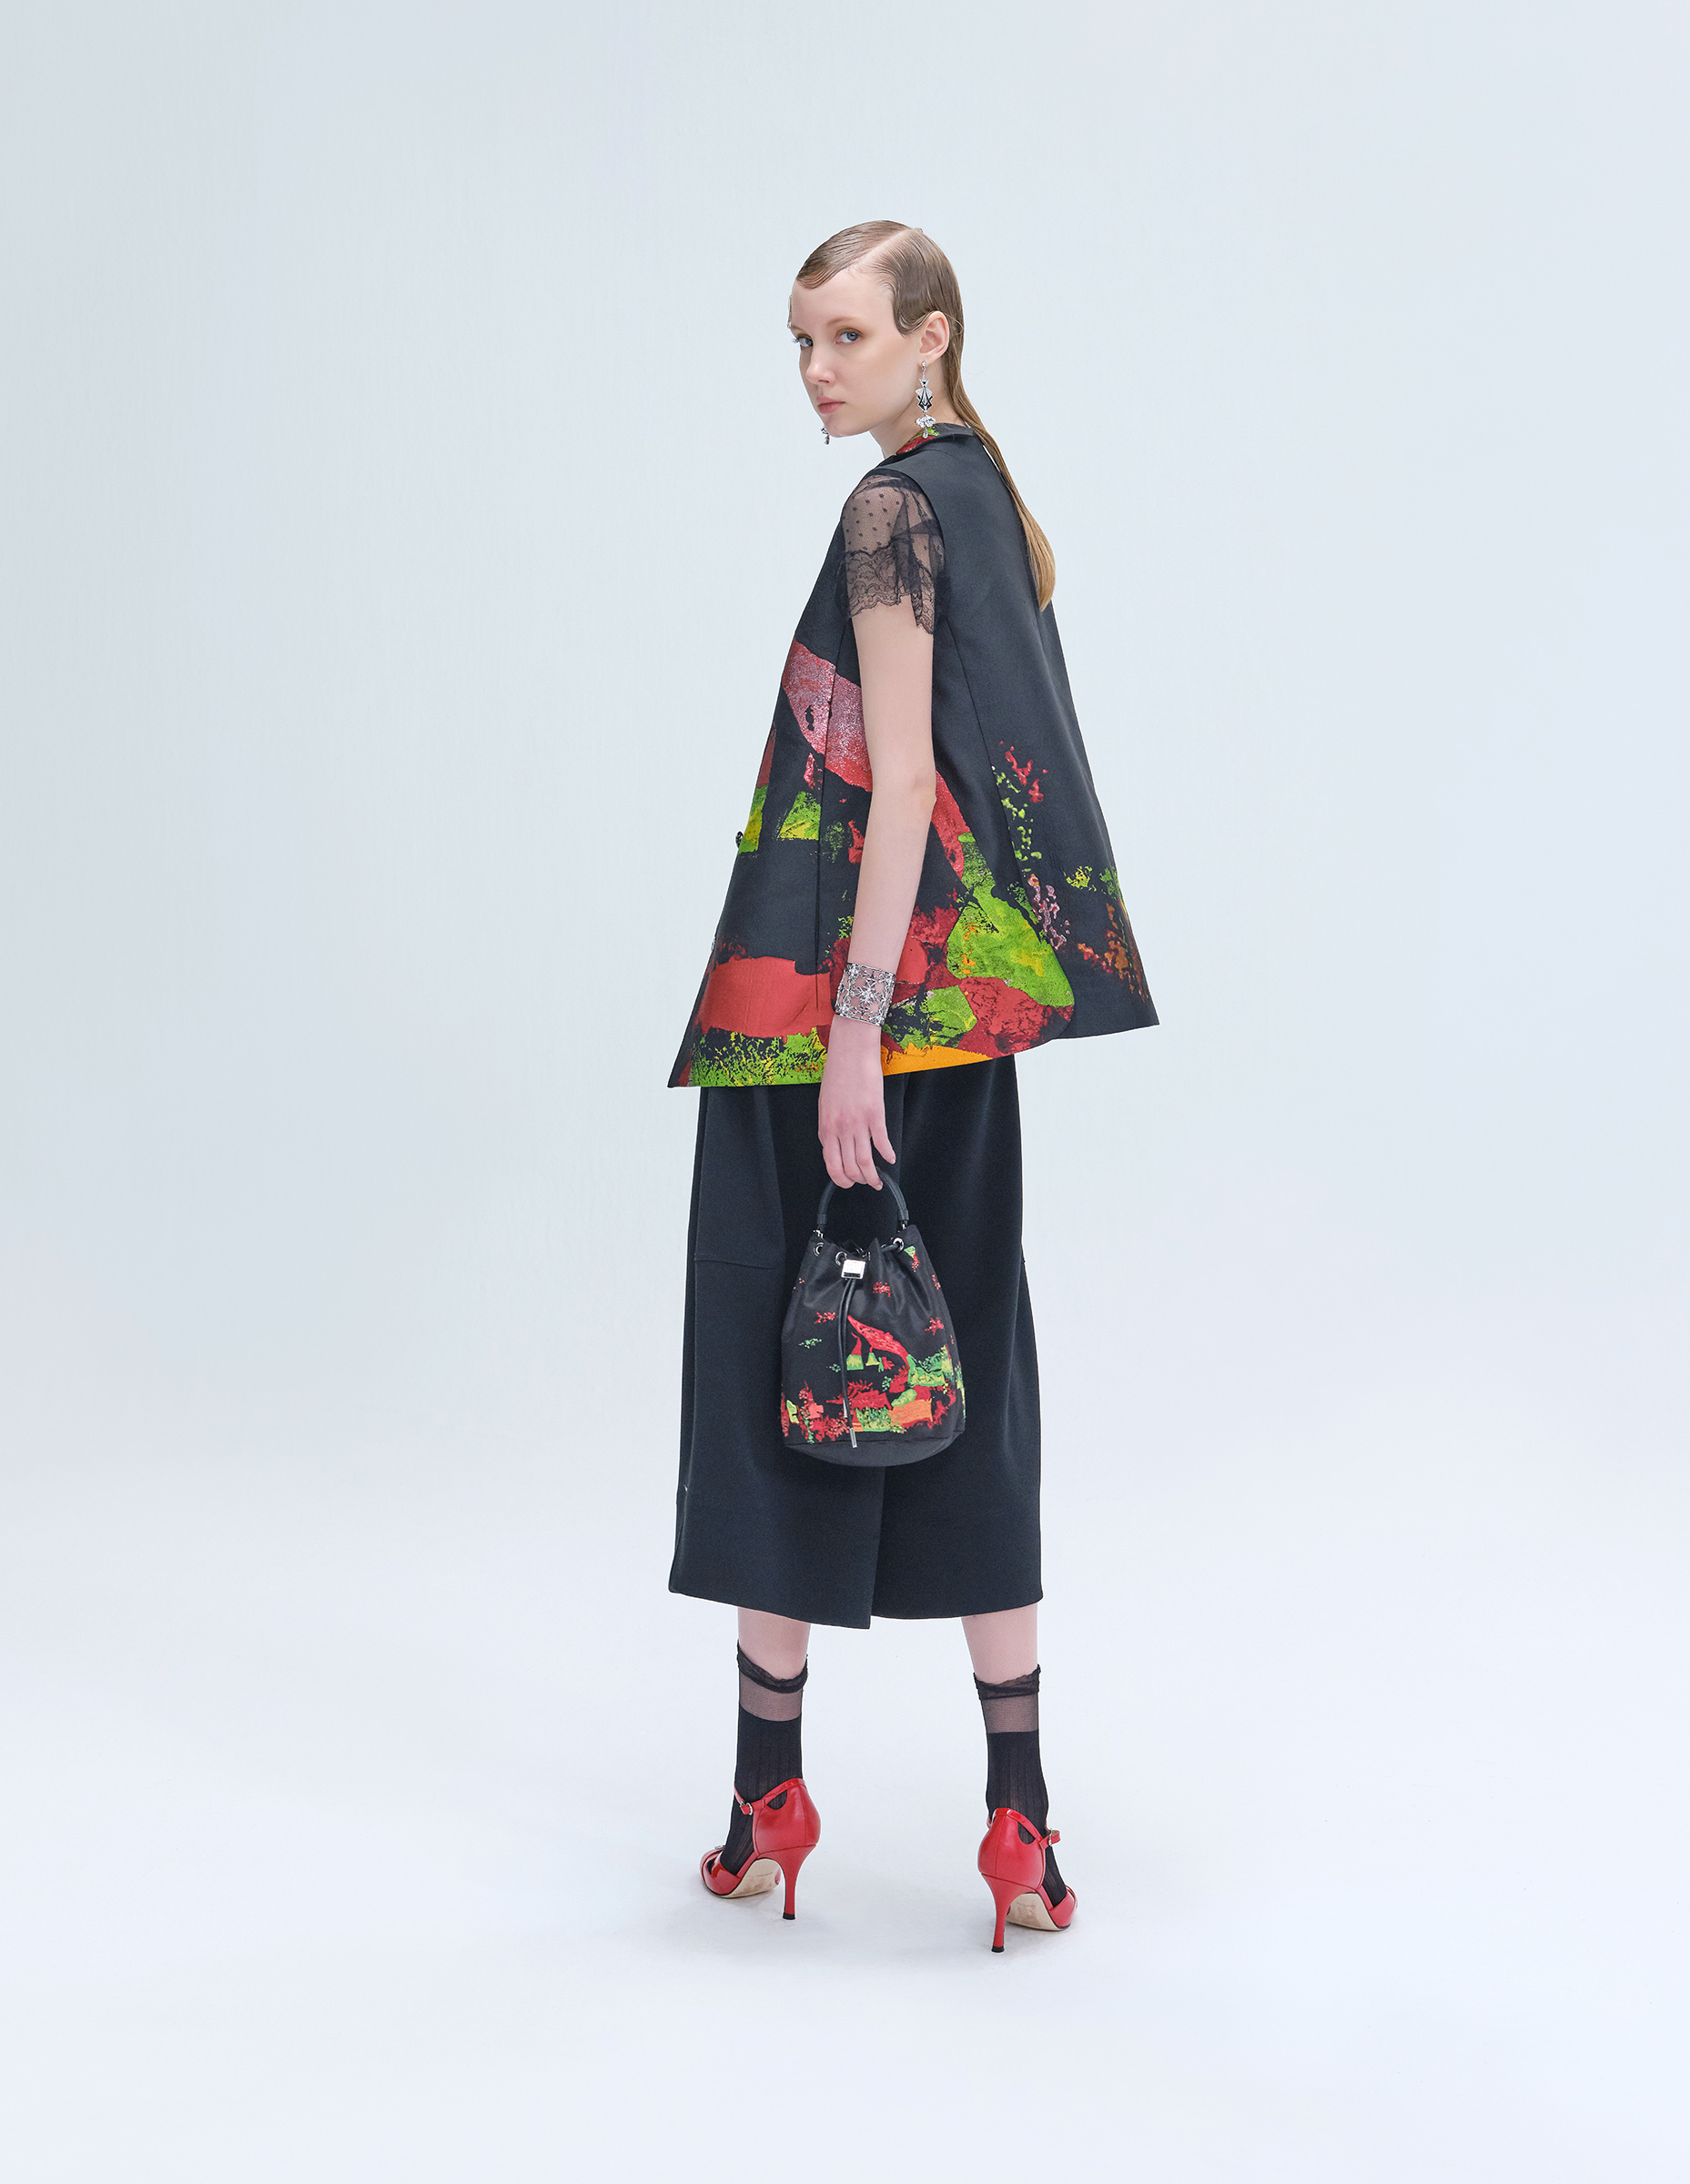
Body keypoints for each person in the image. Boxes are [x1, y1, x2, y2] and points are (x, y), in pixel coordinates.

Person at [667, 220, 1156, 1950]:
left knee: (771, 1365)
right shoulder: (984, 499)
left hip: (835, 1019)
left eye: (848, 337)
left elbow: (890, 789)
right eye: (801, 339)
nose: (817, 370)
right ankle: (1020, 1821)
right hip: (965, 1026)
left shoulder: (890, 510)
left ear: (929, 338)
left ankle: (766, 1802)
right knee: (969, 1370)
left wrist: (854, 1033)